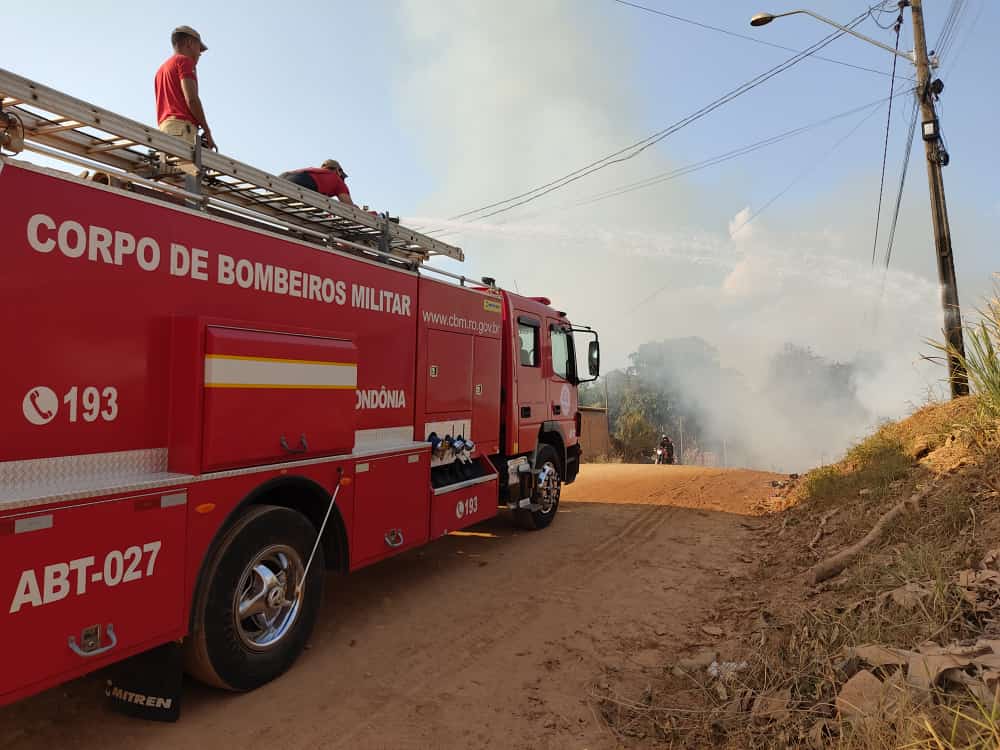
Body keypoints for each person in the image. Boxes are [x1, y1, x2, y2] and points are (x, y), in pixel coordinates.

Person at [154, 25, 215, 150]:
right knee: (187, 169)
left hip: (165, 130)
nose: (199, 54)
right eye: (199, 48)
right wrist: (207, 130)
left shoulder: (160, 71)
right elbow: (191, 99)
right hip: (182, 130)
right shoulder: (184, 61)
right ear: (189, 43)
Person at [279, 160, 355, 206]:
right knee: (320, 206)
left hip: (282, 180)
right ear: (338, 171)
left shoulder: (314, 171)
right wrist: (356, 208)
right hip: (302, 185)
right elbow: (348, 205)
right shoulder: (337, 179)